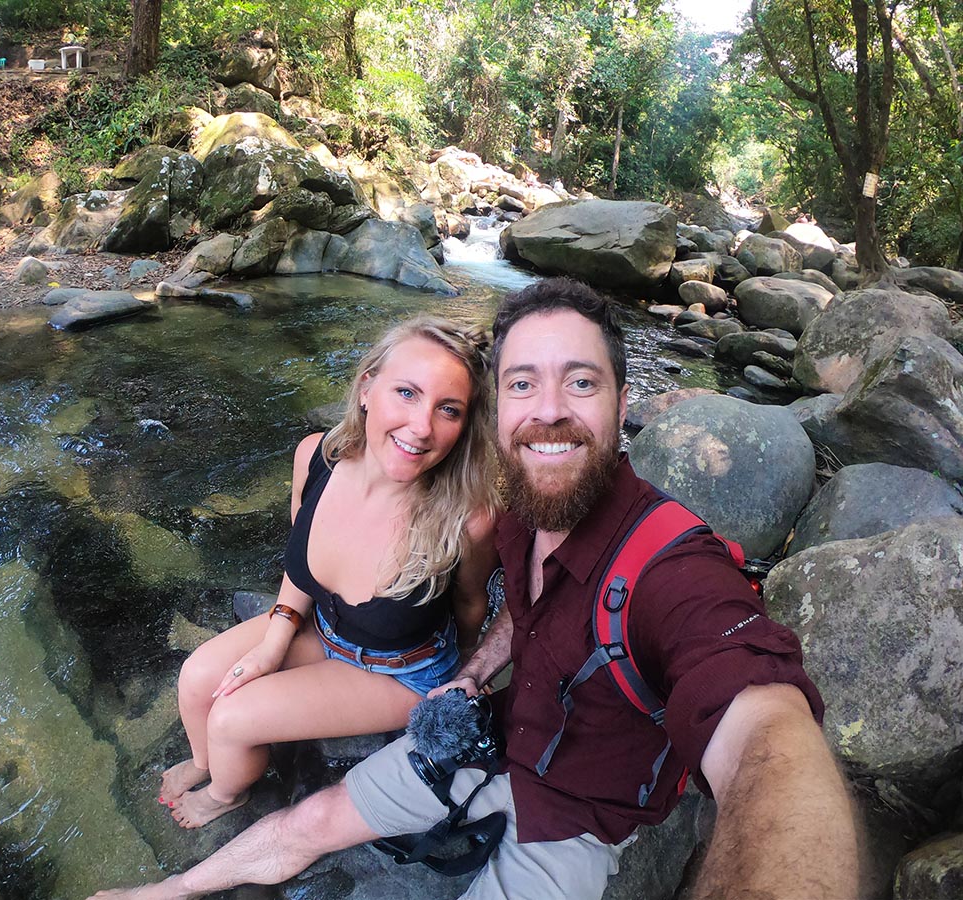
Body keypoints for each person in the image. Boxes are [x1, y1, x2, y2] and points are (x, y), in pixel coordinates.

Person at [89, 278, 858, 900]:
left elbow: (767, 731)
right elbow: (489, 613)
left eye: (581, 382)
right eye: (524, 383)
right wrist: (472, 672)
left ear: (625, 404)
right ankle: (175, 888)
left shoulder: (672, 570)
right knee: (306, 815)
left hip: (580, 814)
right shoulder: (523, 513)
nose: (550, 409)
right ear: (502, 412)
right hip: (487, 738)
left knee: (260, 741)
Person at [158, 314, 500, 828]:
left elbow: (473, 603)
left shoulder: (467, 517)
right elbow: (301, 563)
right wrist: (273, 644)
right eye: (406, 392)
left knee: (230, 719)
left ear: (464, 424)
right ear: (367, 387)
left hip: (400, 670)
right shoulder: (317, 456)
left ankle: (227, 795)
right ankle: (206, 763)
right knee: (195, 680)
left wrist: (468, 671)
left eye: (447, 409)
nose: (422, 426)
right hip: (323, 629)